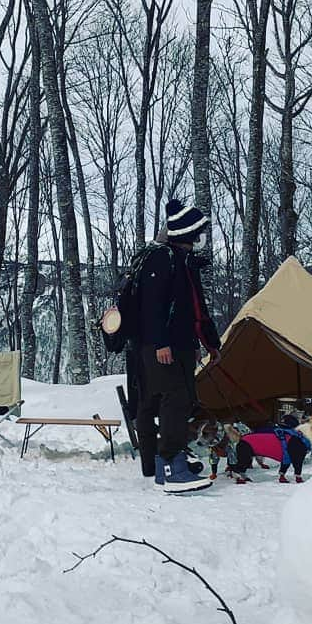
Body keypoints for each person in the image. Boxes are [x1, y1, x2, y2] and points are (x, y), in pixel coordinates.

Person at [133, 199, 222, 494]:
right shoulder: (163, 259)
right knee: (175, 400)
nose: (201, 236)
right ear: (187, 232)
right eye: (198, 231)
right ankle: (171, 467)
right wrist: (161, 342)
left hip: (180, 345)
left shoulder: (181, 262)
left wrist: (206, 343)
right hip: (161, 346)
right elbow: (153, 305)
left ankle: (166, 466)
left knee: (182, 401)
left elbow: (193, 309)